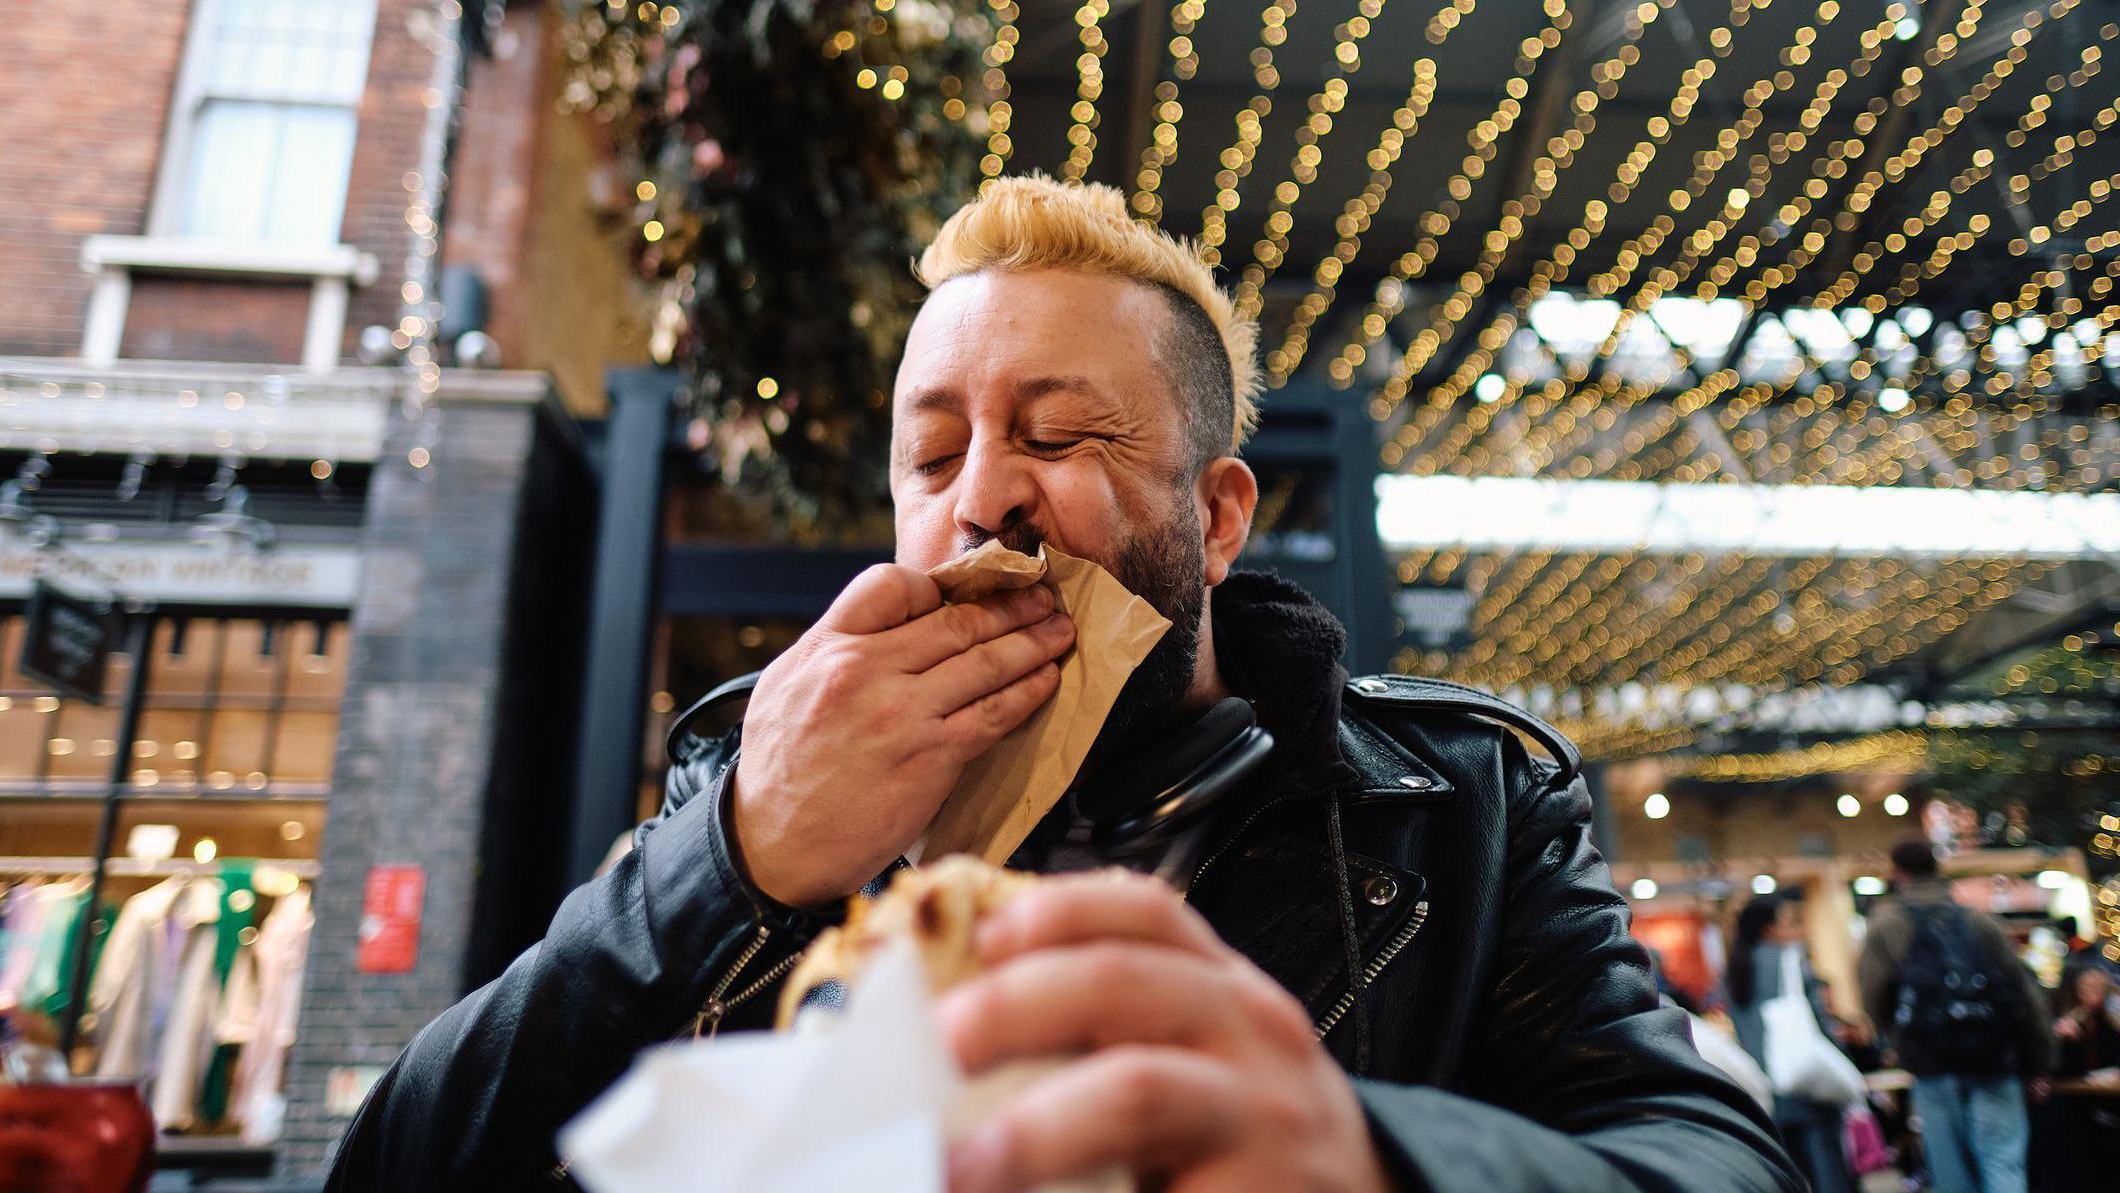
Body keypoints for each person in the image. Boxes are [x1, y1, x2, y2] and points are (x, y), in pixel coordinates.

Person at [325, 177, 1800, 1192]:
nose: (981, 501)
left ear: (1215, 518)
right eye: (930, 453)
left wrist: (1377, 1156)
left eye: (1059, 434)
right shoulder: (746, 783)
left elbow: (1715, 1157)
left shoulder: (1460, 807)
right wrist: (726, 868)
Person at [1858, 840, 2056, 1193]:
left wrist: (1900, 1044)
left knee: (1951, 1175)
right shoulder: (1976, 920)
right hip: (1994, 1059)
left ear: (1897, 873)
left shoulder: (1886, 923)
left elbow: (1874, 997)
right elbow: (2024, 991)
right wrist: (2039, 1062)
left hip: (1933, 1065)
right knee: (2003, 1164)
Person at [1726, 895, 1859, 1193]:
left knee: (1790, 1177)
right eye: (1787, 922)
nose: (1793, 930)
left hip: (1767, 1089)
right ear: (1768, 928)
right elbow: (1819, 1023)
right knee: (1830, 1173)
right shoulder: (1791, 960)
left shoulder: (1734, 972)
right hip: (1807, 1084)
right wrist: (1841, 1062)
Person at [2052, 963, 2120, 1078]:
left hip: (2100, 1089)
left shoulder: (2108, 1022)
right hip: (2069, 1087)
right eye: (2091, 987)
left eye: (2101, 988)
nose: (2097, 992)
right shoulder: (2065, 1020)